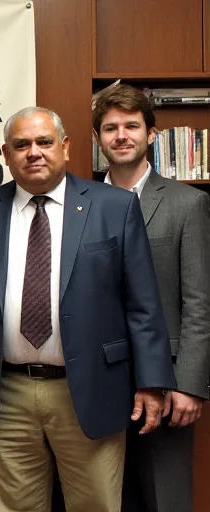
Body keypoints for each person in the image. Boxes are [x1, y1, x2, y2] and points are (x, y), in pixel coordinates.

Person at [0, 106, 177, 512]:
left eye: (44, 142)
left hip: (90, 386)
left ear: (65, 147)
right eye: (21, 145)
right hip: (6, 391)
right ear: (5, 153)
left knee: (95, 505)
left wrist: (152, 381)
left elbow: (143, 304)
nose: (33, 152)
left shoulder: (114, 206)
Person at [93, 84, 210, 512]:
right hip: (97, 384)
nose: (121, 135)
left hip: (169, 380)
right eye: (110, 128)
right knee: (103, 500)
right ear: (97, 139)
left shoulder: (188, 204)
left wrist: (190, 385)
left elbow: (200, 303)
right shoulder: (79, 205)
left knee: (166, 499)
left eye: (131, 126)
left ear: (152, 134)